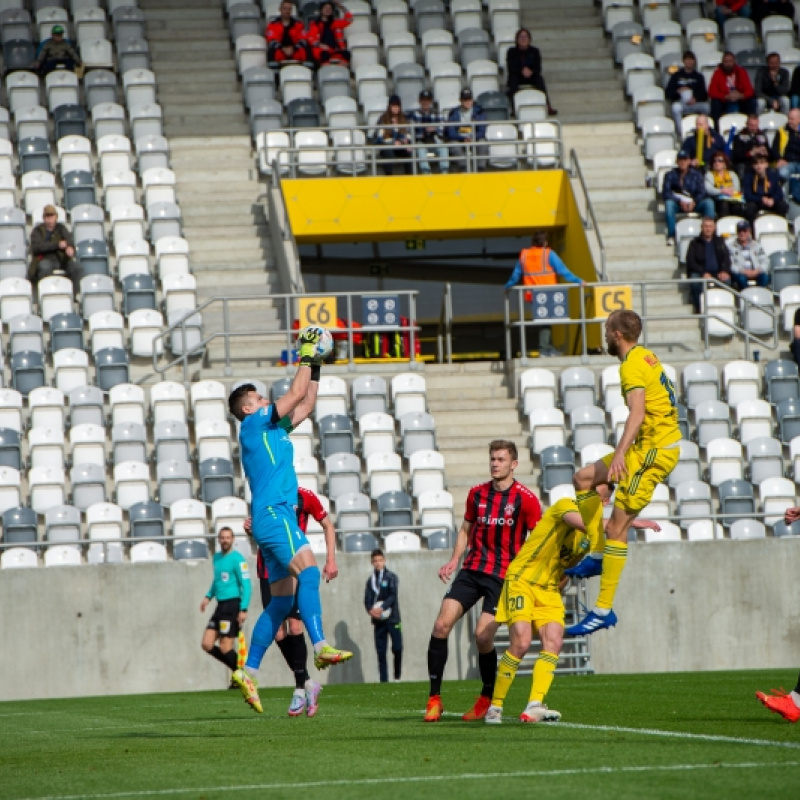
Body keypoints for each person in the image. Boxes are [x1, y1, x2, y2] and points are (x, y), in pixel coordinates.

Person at [227, 327, 352, 714]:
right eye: (261, 398)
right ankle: (320, 647)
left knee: (281, 604)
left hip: (271, 516)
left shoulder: (273, 428)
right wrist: (307, 351)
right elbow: (294, 394)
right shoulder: (253, 424)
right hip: (272, 513)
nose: (267, 401)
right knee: (310, 574)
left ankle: (248, 672)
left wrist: (315, 364)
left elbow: (307, 400)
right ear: (249, 407)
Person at [488, 485, 661, 724]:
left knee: (554, 641)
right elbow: (588, 523)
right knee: (522, 641)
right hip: (522, 580)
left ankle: (534, 705)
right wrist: (626, 523)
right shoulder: (565, 506)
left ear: (605, 499)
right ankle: (495, 707)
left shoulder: (593, 539)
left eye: (597, 492)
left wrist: (563, 579)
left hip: (549, 589)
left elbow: (571, 562)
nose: (589, 494)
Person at [565, 310, 681, 636]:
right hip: (647, 446)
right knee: (583, 479)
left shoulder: (631, 365)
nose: (604, 335)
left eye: (606, 330)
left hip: (652, 452)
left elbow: (638, 413)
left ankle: (602, 609)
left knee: (618, 527)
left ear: (616, 334)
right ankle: (599, 553)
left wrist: (619, 454)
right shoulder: (646, 357)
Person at [424, 440, 542, 723]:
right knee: (441, 625)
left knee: (482, 636)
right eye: (492, 459)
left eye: (501, 459)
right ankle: (434, 698)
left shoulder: (525, 500)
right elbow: (465, 529)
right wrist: (454, 560)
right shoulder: (477, 494)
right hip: (472, 570)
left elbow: (538, 542)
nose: (495, 464)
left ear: (514, 464)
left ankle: (486, 696)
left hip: (503, 577)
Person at [244, 486, 337, 717]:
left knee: (295, 626)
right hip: (267, 570)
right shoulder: (264, 495)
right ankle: (307, 682)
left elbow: (327, 524)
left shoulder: (303, 496)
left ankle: (299, 689)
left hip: (292, 567)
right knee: (278, 633)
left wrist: (331, 560)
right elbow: (263, 532)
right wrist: (251, 530)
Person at [504, 230, 584, 356]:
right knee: (546, 321)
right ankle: (544, 349)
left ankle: (548, 348)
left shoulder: (524, 255)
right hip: (548, 293)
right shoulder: (548, 254)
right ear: (545, 242)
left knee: (545, 321)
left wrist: (507, 286)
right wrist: (579, 281)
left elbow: (516, 275)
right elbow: (563, 271)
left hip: (533, 295)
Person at [200, 527, 251, 676]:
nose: (225, 540)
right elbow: (217, 582)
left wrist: (244, 608)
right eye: (222, 537)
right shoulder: (216, 558)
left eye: (228, 537)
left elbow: (247, 585)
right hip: (220, 606)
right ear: (219, 539)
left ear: (233, 539)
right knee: (207, 644)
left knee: (225, 647)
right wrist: (208, 597)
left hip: (232, 605)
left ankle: (243, 677)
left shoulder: (238, 559)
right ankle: (239, 672)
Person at [662, 149, 716, 246]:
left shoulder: (696, 174)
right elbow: (666, 192)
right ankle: (672, 235)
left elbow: (702, 192)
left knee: (709, 203)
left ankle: (710, 233)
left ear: (688, 161)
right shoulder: (670, 175)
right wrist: (679, 202)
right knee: (669, 204)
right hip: (678, 204)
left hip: (694, 203)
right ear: (677, 161)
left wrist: (694, 201)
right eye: (680, 160)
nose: (683, 162)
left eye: (685, 159)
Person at [364, 549, 402, 683]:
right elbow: (367, 599)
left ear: (384, 561)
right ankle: (384, 680)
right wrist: (370, 610)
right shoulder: (370, 581)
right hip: (378, 621)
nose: (378, 563)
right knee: (381, 652)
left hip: (393, 619)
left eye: (380, 560)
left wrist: (382, 607)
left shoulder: (391, 577)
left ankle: (397, 676)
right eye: (375, 561)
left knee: (397, 648)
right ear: (372, 563)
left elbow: (393, 595)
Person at [685, 216, 733, 313]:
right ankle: (699, 307)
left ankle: (723, 307)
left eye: (710, 226)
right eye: (706, 226)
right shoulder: (694, 243)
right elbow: (691, 262)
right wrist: (703, 272)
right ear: (701, 227)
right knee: (695, 281)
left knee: (728, 281)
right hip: (701, 273)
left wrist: (724, 270)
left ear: (714, 228)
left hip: (718, 273)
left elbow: (726, 258)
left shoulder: (720, 241)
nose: (708, 229)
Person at [505, 28, 556, 115]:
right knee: (513, 79)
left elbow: (538, 68)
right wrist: (522, 70)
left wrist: (531, 72)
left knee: (539, 79)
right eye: (521, 37)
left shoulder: (535, 51)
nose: (523, 39)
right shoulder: (511, 51)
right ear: (517, 39)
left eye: (525, 37)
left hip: (531, 76)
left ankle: (547, 106)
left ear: (529, 39)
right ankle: (514, 108)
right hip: (517, 75)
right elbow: (511, 67)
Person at [29, 205, 78, 286]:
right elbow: (37, 247)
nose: (49, 219)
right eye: (47, 217)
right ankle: (47, 291)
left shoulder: (61, 228)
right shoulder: (37, 231)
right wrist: (57, 245)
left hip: (62, 259)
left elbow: (69, 240)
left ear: (56, 217)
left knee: (77, 268)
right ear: (43, 218)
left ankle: (74, 294)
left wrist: (70, 247)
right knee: (44, 267)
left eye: (51, 216)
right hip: (45, 258)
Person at [666, 51, 710, 134]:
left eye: (691, 59)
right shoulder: (676, 76)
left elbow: (704, 94)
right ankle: (681, 132)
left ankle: (706, 130)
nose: (689, 62)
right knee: (675, 107)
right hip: (682, 104)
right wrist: (678, 92)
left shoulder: (699, 76)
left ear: (694, 61)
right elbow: (668, 93)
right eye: (687, 59)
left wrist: (696, 98)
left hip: (695, 103)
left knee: (706, 107)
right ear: (683, 61)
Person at [708, 51, 758, 125]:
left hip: (740, 99)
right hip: (724, 100)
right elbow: (711, 91)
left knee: (752, 101)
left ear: (734, 61)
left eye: (730, 61)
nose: (728, 64)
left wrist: (741, 95)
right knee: (715, 103)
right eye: (726, 61)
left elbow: (750, 90)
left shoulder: (741, 71)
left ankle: (751, 126)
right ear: (722, 62)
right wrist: (725, 96)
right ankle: (717, 128)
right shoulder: (717, 73)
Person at [407, 90, 449, 175]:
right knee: (420, 148)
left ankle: (444, 173)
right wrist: (423, 131)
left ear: (431, 101)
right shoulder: (413, 115)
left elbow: (443, 127)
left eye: (428, 100)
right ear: (419, 101)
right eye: (423, 100)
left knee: (443, 147)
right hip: (421, 141)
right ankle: (426, 173)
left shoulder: (437, 114)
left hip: (434, 140)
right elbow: (410, 131)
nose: (425, 102)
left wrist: (435, 129)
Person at [445, 89, 487, 173]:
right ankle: (465, 168)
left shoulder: (479, 111)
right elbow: (451, 132)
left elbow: (482, 130)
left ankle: (480, 169)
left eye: (469, 99)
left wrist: (472, 138)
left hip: (475, 138)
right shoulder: (453, 112)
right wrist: (463, 139)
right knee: (453, 144)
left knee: (483, 142)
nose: (467, 102)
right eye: (465, 100)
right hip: (460, 139)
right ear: (460, 100)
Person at [743, 153, 789, 222]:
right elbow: (748, 195)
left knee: (782, 205)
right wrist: (761, 199)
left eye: (762, 163)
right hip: (757, 201)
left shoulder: (773, 175)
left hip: (770, 201)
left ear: (766, 165)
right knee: (750, 207)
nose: (759, 166)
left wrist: (773, 199)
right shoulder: (748, 177)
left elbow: (779, 193)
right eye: (756, 164)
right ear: (753, 166)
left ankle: (781, 226)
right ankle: (752, 229)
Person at [726, 218, 770, 290]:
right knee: (741, 279)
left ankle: (759, 295)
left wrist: (757, 271)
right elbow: (730, 264)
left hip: (756, 271)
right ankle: (746, 297)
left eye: (744, 231)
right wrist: (743, 271)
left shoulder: (757, 245)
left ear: (749, 231)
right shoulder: (731, 246)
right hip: (741, 273)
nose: (742, 233)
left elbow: (765, 261)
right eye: (740, 231)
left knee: (764, 277)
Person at [374, 96, 412, 175]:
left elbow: (408, 135)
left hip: (400, 146)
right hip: (387, 146)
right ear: (389, 106)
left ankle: (409, 177)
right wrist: (393, 142)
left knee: (409, 152)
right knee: (388, 153)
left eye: (397, 105)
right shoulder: (383, 119)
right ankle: (389, 177)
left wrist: (403, 141)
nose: (395, 108)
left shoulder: (404, 119)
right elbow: (379, 138)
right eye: (393, 105)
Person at [306, 0, 351, 65]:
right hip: (321, 50)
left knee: (347, 54)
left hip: (335, 50)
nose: (328, 10)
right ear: (321, 10)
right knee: (324, 55)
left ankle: (341, 71)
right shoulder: (314, 24)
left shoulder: (336, 23)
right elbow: (311, 38)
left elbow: (349, 20)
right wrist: (320, 45)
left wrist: (341, 7)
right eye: (325, 8)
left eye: (330, 8)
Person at [770, 108, 800, 204]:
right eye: (789, 118)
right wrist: (779, 159)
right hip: (787, 162)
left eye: (792, 119)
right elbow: (774, 148)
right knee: (782, 172)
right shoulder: (782, 131)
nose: (789, 121)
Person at [705, 151, 743, 218]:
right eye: (715, 161)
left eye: (720, 161)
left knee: (736, 205)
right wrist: (722, 191)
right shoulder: (709, 174)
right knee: (724, 204)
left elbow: (737, 188)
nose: (717, 163)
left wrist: (729, 191)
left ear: (725, 164)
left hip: (732, 197)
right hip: (717, 199)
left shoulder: (732, 174)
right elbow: (709, 189)